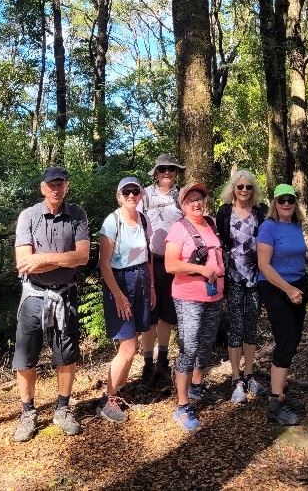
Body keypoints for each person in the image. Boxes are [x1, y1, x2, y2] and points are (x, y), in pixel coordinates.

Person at [12, 166, 90, 442]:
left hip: (66, 294)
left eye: (60, 184)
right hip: (33, 295)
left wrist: (43, 259)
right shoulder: (29, 216)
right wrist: (64, 259)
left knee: (66, 354)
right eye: (51, 184)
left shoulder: (77, 214)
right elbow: (23, 262)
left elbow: (82, 257)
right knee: (25, 356)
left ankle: (63, 409)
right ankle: (28, 412)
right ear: (43, 188)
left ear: (67, 186)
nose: (56, 189)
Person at [165, 183, 225, 431]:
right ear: (183, 205)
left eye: (199, 198)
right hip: (189, 296)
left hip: (214, 296)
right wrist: (201, 269)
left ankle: (197, 386)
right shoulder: (178, 228)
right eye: (191, 200)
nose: (197, 203)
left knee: (206, 343)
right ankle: (182, 405)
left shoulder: (211, 224)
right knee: (188, 348)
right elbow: (170, 265)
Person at [97, 177, 156, 423]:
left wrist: (151, 286)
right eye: (126, 192)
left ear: (141, 195)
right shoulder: (112, 222)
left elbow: (147, 256)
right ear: (119, 196)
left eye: (135, 191)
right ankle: (107, 399)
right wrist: (118, 296)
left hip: (141, 278)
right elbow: (103, 263)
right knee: (128, 346)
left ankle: (120, 389)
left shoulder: (143, 219)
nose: (131, 195)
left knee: (136, 338)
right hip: (119, 282)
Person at [257, 183, 308, 426]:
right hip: (276, 288)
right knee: (286, 340)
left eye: (290, 200)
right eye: (282, 200)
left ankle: (281, 392)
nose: (286, 204)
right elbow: (264, 265)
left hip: (299, 285)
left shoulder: (296, 225)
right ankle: (275, 404)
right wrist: (288, 290)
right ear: (275, 203)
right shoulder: (268, 227)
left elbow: (297, 252)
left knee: (293, 339)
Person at [216, 170, 268, 403]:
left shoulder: (261, 212)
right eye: (240, 187)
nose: (244, 190)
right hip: (233, 277)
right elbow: (220, 243)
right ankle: (236, 378)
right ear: (233, 189)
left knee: (251, 325)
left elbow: (269, 241)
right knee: (236, 325)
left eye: (248, 187)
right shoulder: (225, 212)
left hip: (256, 277)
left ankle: (249, 374)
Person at [139, 153, 185, 385]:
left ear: (176, 172)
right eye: (163, 169)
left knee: (167, 314)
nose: (167, 173)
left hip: (175, 264)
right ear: (156, 173)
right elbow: (135, 222)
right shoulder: (144, 195)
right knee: (150, 315)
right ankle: (147, 365)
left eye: (171, 169)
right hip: (150, 261)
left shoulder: (182, 196)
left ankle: (163, 363)